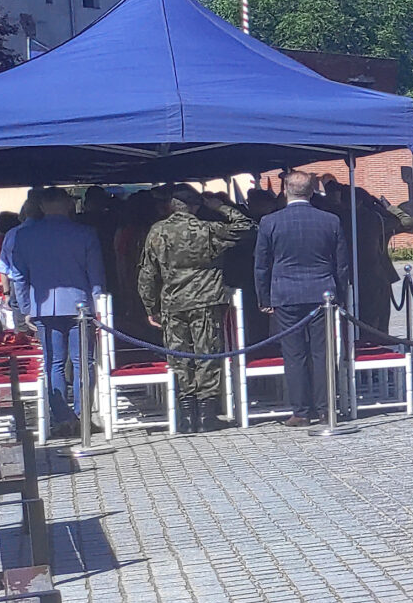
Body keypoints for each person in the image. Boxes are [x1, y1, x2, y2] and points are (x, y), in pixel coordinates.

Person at [138, 189, 253, 432]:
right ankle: (206, 414)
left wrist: (150, 306)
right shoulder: (207, 229)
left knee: (179, 356)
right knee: (207, 354)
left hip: (172, 302)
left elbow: (148, 273)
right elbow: (246, 227)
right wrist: (219, 206)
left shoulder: (157, 231)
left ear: (172, 206)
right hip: (205, 300)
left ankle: (187, 415)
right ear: (195, 206)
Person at [2, 187, 106, 438]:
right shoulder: (85, 233)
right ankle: (82, 417)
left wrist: (26, 308)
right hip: (80, 305)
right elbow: (96, 276)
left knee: (53, 363)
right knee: (83, 363)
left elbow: (19, 277)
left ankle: (62, 418)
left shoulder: (24, 235)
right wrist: (99, 305)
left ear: (41, 206)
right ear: (68, 205)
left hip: (43, 306)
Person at [254, 171, 353, 427]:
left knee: (294, 354)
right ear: (312, 191)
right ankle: (325, 409)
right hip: (322, 293)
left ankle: (301, 411)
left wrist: (264, 298)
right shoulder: (330, 220)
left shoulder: (269, 222)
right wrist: (340, 296)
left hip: (285, 294)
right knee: (322, 353)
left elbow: (262, 265)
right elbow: (342, 264)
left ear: (285, 190)